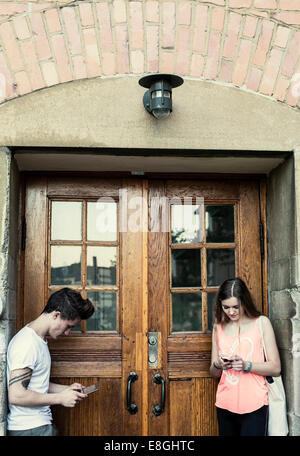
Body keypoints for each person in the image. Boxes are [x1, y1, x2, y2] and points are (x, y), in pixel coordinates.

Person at [6, 287, 95, 436]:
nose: (67, 333)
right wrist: (60, 398)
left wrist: (66, 390)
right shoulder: (27, 343)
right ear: (56, 315)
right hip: (30, 429)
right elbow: (17, 395)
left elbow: (35, 384)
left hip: (37, 427)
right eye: (68, 326)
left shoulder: (38, 340)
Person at [210, 277, 281, 436]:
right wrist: (218, 365)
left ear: (245, 302)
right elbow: (214, 373)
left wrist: (246, 365)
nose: (231, 312)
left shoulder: (261, 323)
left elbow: (276, 368)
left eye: (236, 306)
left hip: (255, 405)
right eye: (226, 307)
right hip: (224, 404)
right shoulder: (218, 327)